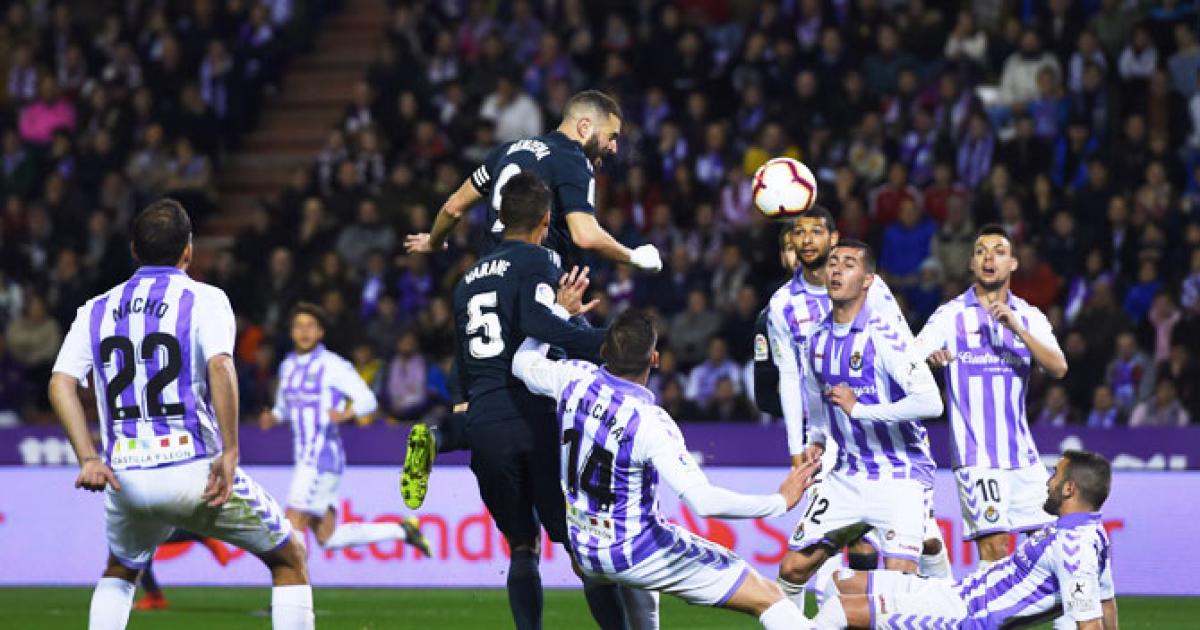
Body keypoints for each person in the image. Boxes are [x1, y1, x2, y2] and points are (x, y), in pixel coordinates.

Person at [48, 199, 313, 629]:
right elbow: (221, 366)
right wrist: (230, 451)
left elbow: (61, 382)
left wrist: (88, 458)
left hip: (125, 474)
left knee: (120, 568)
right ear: (189, 249)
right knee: (289, 556)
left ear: (134, 249)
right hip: (192, 468)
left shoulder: (95, 309)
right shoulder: (204, 299)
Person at [401, 90, 663, 512]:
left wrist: (434, 242)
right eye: (612, 136)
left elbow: (452, 207)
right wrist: (635, 256)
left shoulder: (506, 152)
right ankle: (617, 469)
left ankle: (438, 437)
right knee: (595, 360)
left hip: (483, 289)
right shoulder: (573, 159)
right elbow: (584, 235)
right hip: (535, 287)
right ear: (584, 127)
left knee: (480, 403)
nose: (614, 147)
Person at [512, 308, 820, 629]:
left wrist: (558, 310)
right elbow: (704, 502)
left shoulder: (573, 378)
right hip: (635, 550)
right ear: (654, 359)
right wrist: (779, 501)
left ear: (604, 351)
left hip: (584, 547)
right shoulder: (649, 423)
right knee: (768, 596)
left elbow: (521, 361)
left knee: (644, 580)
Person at [446, 172, 635, 630]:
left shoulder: (467, 279)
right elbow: (538, 325)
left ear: (501, 216)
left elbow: (462, 360)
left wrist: (461, 406)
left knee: (522, 545)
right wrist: (610, 345)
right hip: (533, 416)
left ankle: (442, 436)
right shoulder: (539, 259)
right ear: (547, 219)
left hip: (485, 421)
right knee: (581, 547)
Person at [766, 208, 950, 609]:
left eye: (848, 264)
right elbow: (812, 391)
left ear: (868, 280)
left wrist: (861, 411)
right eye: (833, 263)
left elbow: (931, 403)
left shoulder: (884, 334)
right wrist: (814, 437)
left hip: (901, 472)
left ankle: (950, 606)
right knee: (792, 570)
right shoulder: (815, 338)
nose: (836, 270)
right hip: (847, 473)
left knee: (900, 585)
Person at [810, 450, 1119, 630]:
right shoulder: (1091, 534)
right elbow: (1106, 602)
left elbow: (1090, 624)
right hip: (954, 592)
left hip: (961, 618)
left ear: (1069, 489)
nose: (1048, 482)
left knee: (838, 610)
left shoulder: (1074, 547)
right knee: (840, 581)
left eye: (1055, 475)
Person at [916, 224, 1069, 569]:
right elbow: (910, 360)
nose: (989, 258)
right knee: (996, 547)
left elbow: (1058, 367)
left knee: (1052, 551)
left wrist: (1018, 329)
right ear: (972, 263)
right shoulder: (950, 315)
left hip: (1023, 457)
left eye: (999, 251)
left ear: (1013, 263)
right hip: (976, 456)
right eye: (981, 251)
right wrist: (929, 362)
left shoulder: (1028, 315)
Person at [259, 303, 430, 557]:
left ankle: (291, 583)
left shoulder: (333, 365)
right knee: (327, 537)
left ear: (320, 332)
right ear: (292, 332)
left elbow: (368, 400)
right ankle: (402, 530)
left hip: (322, 458)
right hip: (304, 458)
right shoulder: (287, 367)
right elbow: (285, 408)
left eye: (310, 326)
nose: (304, 331)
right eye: (299, 326)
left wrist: (346, 414)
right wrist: (273, 417)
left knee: (291, 523)